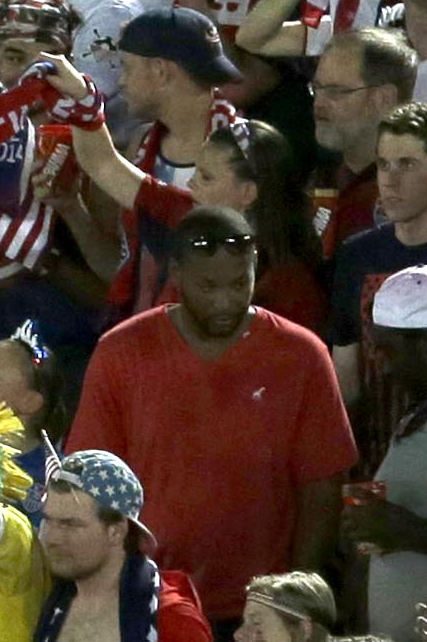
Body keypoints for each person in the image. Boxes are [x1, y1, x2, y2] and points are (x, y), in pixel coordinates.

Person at [66, 203, 358, 621]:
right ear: (177, 276)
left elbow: (322, 487)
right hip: (150, 602)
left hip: (260, 611)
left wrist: (294, 596)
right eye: (208, 286)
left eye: (240, 283)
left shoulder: (302, 355)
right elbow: (91, 482)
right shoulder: (121, 353)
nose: (225, 301)